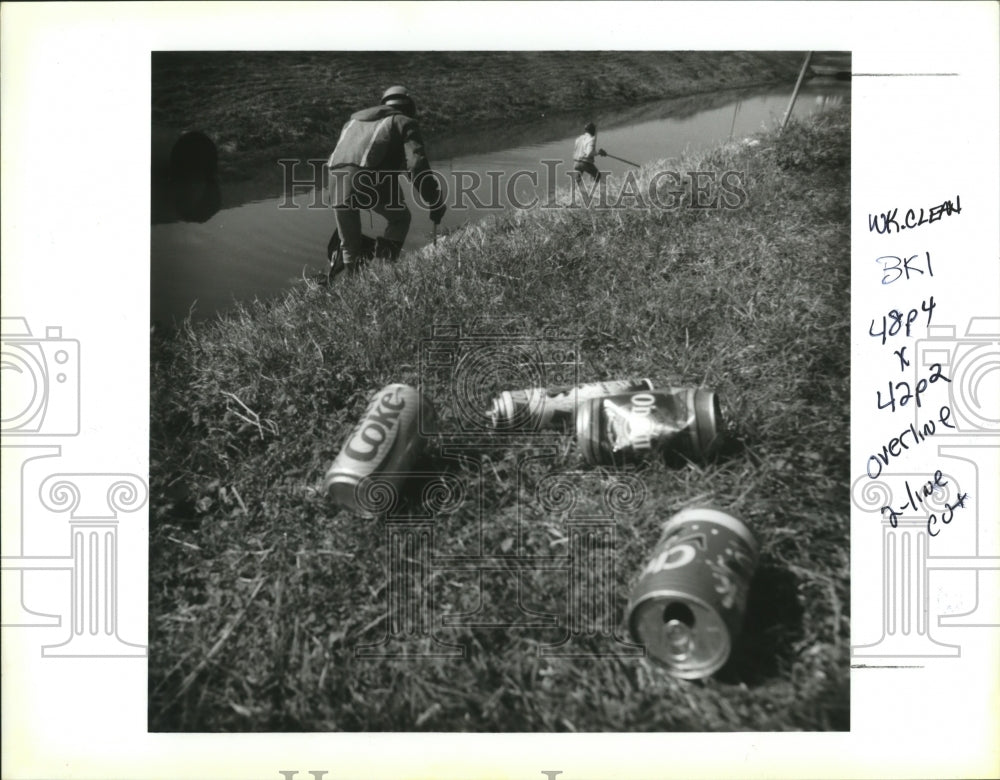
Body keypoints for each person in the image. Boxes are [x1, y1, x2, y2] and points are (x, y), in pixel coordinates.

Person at [327, 85, 446, 275]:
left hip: (335, 182)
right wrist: (434, 201)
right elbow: (416, 166)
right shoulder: (403, 121)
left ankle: (350, 283)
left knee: (350, 243)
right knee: (400, 218)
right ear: (409, 106)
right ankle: (382, 271)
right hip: (368, 180)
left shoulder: (352, 122)